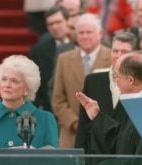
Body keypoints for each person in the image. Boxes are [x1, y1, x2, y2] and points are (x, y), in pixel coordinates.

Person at [75, 50, 142, 155]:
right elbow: (122, 139)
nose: (116, 81)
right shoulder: (138, 99)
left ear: (130, 80)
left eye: (116, 76)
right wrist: (98, 117)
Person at [0, 55, 58, 148]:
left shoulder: (45, 119)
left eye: (14, 81)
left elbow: (52, 159)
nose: (7, 85)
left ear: (27, 89)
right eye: (4, 79)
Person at [52, 13, 111, 148]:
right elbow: (58, 99)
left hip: (104, 133)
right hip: (71, 134)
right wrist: (74, 122)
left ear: (100, 33)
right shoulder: (64, 59)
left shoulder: (112, 56)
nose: (84, 36)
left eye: (89, 32)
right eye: (81, 32)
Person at [29, 6, 69, 113]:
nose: (55, 27)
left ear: (68, 22)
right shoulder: (38, 50)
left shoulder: (79, 45)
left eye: (58, 22)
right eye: (50, 24)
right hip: (49, 109)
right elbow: (33, 82)